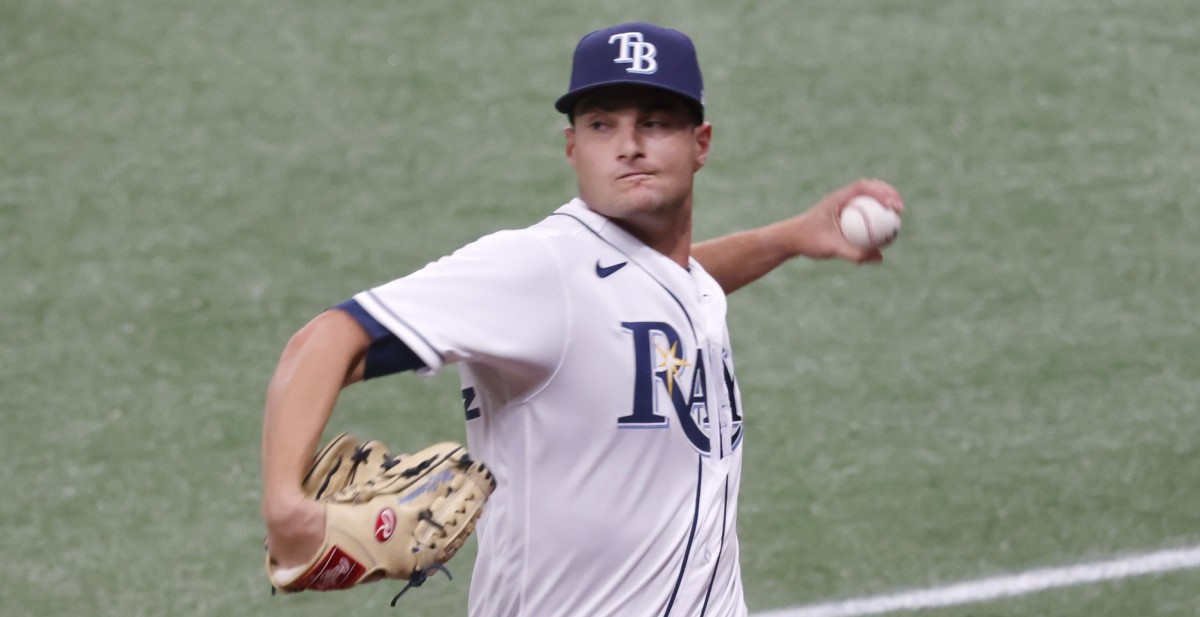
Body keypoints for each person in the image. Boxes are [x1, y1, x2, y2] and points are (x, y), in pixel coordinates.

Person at [261, 21, 903, 616]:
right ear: (573, 146)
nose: (629, 146)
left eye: (655, 123)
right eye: (601, 125)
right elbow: (326, 341)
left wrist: (790, 237)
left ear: (700, 143)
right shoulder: (538, 268)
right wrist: (285, 506)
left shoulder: (672, 283)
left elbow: (664, 285)